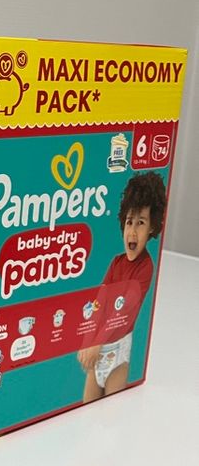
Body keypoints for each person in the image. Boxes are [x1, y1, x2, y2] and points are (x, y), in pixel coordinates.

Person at [78, 171, 167, 402]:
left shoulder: (145, 267)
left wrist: (97, 343)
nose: (133, 231)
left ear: (152, 227)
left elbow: (123, 312)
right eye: (129, 222)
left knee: (112, 412)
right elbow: (99, 301)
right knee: (87, 407)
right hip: (98, 348)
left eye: (141, 223)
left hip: (117, 352)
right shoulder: (116, 263)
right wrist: (88, 340)